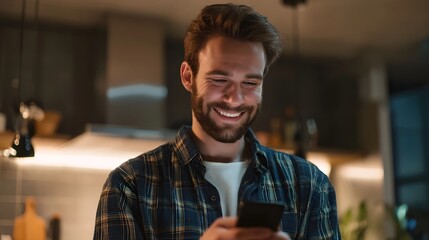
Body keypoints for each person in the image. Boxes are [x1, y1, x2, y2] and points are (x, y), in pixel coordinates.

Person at [94, 3, 341, 240]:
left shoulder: (309, 185)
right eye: (219, 80)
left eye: (250, 83)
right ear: (188, 76)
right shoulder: (131, 186)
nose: (235, 99)